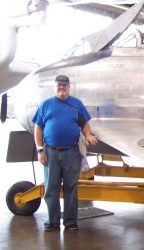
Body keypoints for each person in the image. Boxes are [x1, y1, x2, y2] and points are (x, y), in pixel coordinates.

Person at [32, 74, 98, 231]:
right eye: (58, 86)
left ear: (69, 87)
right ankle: (52, 222)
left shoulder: (76, 104)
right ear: (54, 87)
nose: (62, 88)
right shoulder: (46, 105)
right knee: (51, 188)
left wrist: (88, 135)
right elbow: (38, 129)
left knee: (71, 187)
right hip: (51, 153)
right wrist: (40, 150)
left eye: (64, 86)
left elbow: (84, 124)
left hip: (71, 152)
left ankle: (70, 222)